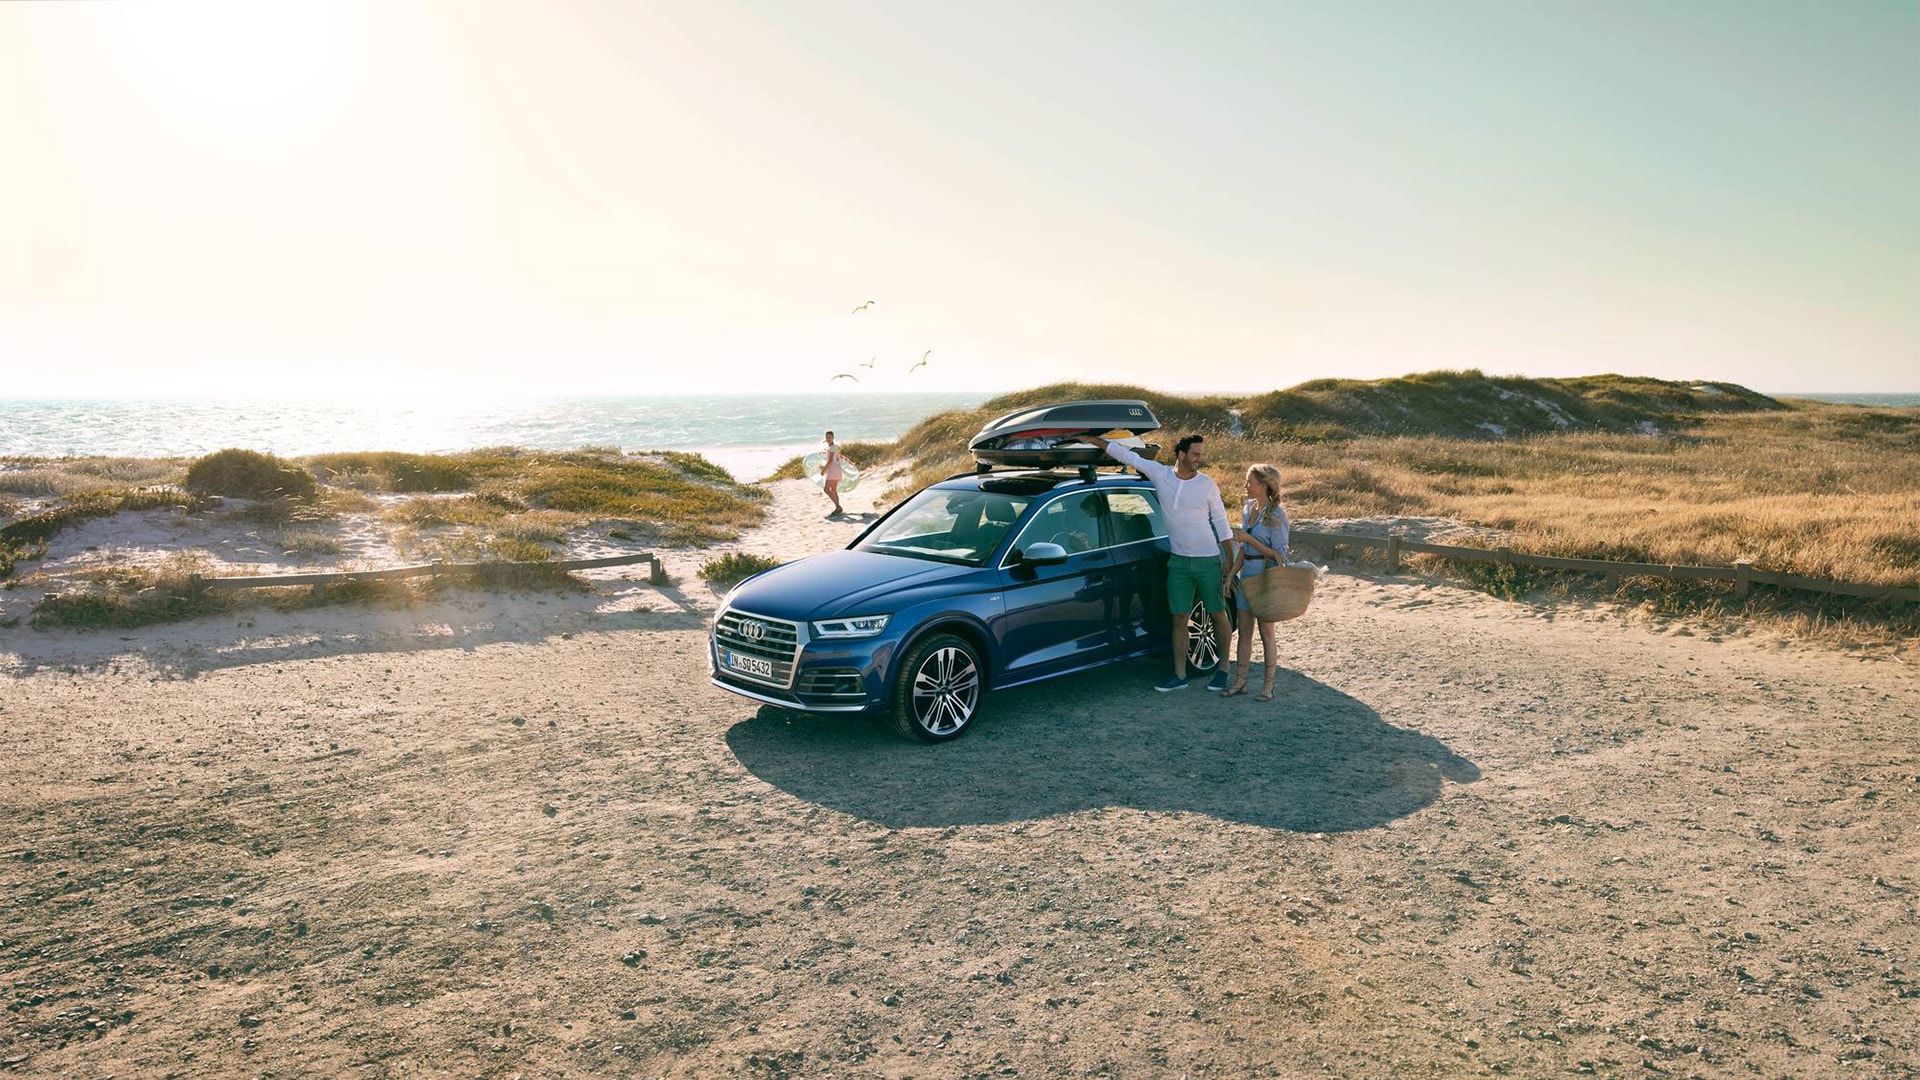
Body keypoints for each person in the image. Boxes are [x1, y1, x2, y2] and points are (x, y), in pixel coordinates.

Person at [1085, 432, 1235, 692]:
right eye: (1196, 454)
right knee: (1178, 618)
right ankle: (1179, 676)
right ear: (1181, 454)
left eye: (1201, 454)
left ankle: (1223, 670)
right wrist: (1093, 440)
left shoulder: (1207, 484)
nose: (1200, 458)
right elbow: (1127, 455)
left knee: (1217, 613)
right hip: (1178, 562)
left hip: (1207, 560)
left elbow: (1221, 521)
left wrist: (1230, 560)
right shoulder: (1160, 475)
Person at [1225, 463, 1290, 702]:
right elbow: (1243, 547)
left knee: (1266, 632)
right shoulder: (1248, 509)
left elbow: (1279, 555)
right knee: (1244, 631)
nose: (1246, 486)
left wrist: (1250, 539)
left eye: (1250, 482)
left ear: (1263, 485)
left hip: (1265, 575)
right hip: (1247, 574)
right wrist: (1232, 573)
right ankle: (1240, 681)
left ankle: (1268, 686)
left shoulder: (1277, 515)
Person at [822, 431, 846, 517]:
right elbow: (838, 457)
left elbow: (831, 460)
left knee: (826, 489)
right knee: (833, 490)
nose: (828, 439)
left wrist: (823, 470)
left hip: (832, 471)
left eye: (830, 437)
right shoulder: (832, 447)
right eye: (827, 437)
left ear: (833, 438)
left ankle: (838, 507)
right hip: (835, 470)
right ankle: (837, 507)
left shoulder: (832, 448)